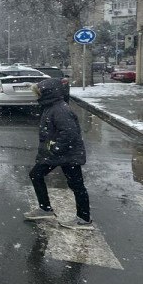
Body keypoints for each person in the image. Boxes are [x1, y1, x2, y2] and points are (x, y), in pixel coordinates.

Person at [22, 78, 91, 228]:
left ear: (48, 93)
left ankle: (84, 219)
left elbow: (69, 133)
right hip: (57, 154)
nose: (37, 95)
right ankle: (45, 209)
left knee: (77, 185)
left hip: (66, 155)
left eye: (39, 92)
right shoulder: (51, 106)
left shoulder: (60, 109)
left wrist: (55, 148)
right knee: (36, 174)